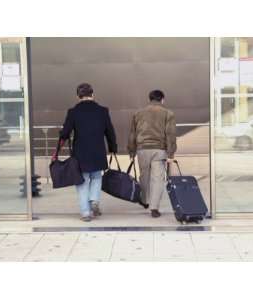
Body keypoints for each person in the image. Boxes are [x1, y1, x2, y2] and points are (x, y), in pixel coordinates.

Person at [54, 83, 117, 222]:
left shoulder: (73, 112)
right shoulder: (102, 110)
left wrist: (61, 135)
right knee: (96, 177)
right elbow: (110, 132)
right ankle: (94, 199)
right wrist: (113, 148)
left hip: (80, 153)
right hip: (98, 151)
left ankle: (85, 213)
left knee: (82, 182)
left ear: (78, 96)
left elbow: (65, 133)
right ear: (92, 94)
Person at [127, 90, 177, 218]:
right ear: (162, 99)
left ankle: (145, 201)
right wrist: (171, 154)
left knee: (144, 176)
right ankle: (154, 207)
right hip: (159, 150)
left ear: (150, 99)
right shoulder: (168, 113)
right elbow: (170, 134)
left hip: (142, 149)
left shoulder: (138, 113)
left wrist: (131, 151)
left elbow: (132, 133)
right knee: (157, 179)